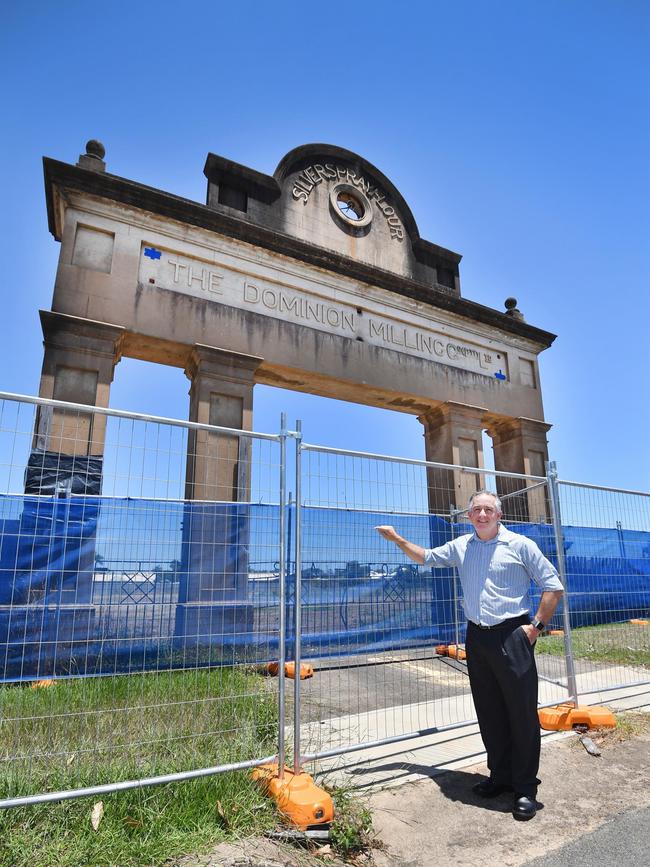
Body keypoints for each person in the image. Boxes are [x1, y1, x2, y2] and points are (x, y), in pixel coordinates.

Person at [375, 489, 563, 821]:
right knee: (489, 711)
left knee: (520, 712)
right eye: (476, 509)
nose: (482, 515)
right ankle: (500, 776)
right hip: (477, 637)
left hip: (513, 634)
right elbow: (427, 557)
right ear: (469, 515)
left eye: (488, 509)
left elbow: (553, 586)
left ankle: (524, 789)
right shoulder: (462, 546)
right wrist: (397, 539)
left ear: (498, 514)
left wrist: (535, 627)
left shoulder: (520, 545)